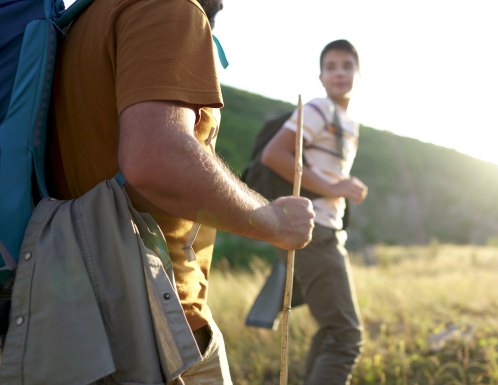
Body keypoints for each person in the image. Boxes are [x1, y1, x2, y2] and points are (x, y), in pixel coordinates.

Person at [47, 0, 314, 383]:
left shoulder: (81, 21)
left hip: (72, 309)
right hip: (159, 322)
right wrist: (273, 220)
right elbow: (156, 157)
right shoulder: (170, 8)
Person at [260, 39, 368, 385]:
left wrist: (342, 184)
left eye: (347, 66)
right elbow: (273, 155)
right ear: (320, 76)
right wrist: (336, 188)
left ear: (357, 73)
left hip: (326, 230)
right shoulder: (320, 109)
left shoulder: (349, 123)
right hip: (315, 230)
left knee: (331, 331)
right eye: (332, 66)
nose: (339, 72)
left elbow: (320, 170)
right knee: (346, 336)